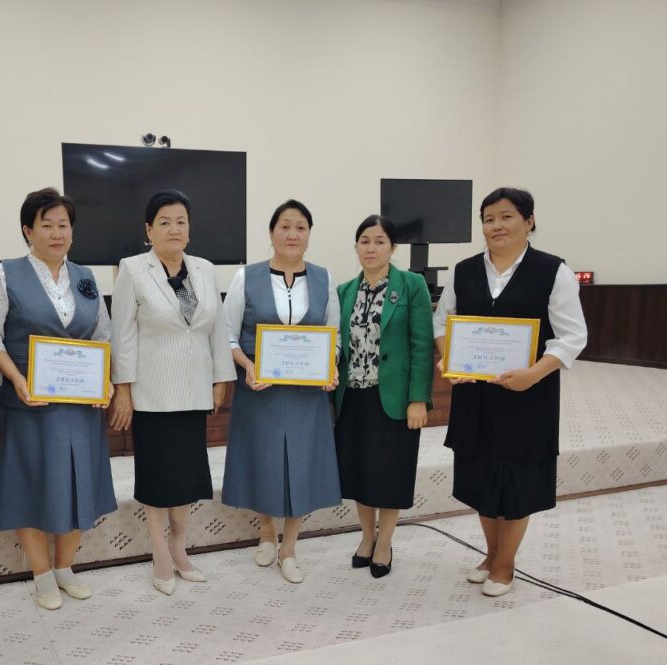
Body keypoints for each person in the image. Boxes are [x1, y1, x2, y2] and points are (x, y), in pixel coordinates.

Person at [434, 188, 587, 596]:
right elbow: (441, 322)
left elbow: (572, 336)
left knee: (517, 482)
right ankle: (491, 554)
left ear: (529, 221)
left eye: (506, 217)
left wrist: (534, 373)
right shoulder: (464, 271)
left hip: (527, 396)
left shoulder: (553, 271)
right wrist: (449, 359)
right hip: (475, 395)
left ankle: (505, 564)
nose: (496, 226)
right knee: (481, 479)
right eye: (488, 219)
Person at [0, 187, 116, 611]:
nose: (57, 233)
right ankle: (41, 573)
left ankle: (65, 568)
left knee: (78, 482)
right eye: (47, 225)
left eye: (64, 225)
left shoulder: (85, 276)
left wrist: (105, 381)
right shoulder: (6, 275)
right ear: (28, 230)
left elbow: (102, 334)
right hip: (29, 403)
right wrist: (16, 378)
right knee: (31, 484)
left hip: (80, 405)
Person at [110, 189, 235, 595]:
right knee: (157, 477)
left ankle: (180, 546)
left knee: (186, 476)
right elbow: (123, 335)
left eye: (181, 221)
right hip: (152, 394)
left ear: (190, 228)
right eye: (164, 222)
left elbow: (216, 330)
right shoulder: (133, 270)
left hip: (194, 389)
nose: (174, 228)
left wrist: (221, 378)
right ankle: (159, 551)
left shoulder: (203, 269)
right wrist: (123, 390)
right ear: (149, 230)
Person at [221, 199, 342, 583]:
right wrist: (248, 366)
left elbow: (333, 336)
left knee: (301, 465)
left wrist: (331, 367)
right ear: (272, 232)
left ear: (309, 234)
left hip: (307, 395)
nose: (292, 234)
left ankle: (289, 547)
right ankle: (265, 532)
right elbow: (227, 336)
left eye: (300, 227)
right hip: (261, 390)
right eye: (285, 226)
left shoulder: (324, 279)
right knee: (264, 460)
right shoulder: (246, 277)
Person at [334, 215, 434, 578]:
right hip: (353, 397)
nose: (371, 248)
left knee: (391, 475)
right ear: (356, 247)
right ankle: (366, 537)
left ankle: (385, 543)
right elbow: (336, 344)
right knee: (360, 472)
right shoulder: (344, 291)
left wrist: (418, 398)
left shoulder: (411, 285)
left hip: (394, 398)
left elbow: (422, 345)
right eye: (364, 241)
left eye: (379, 241)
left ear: (392, 247)